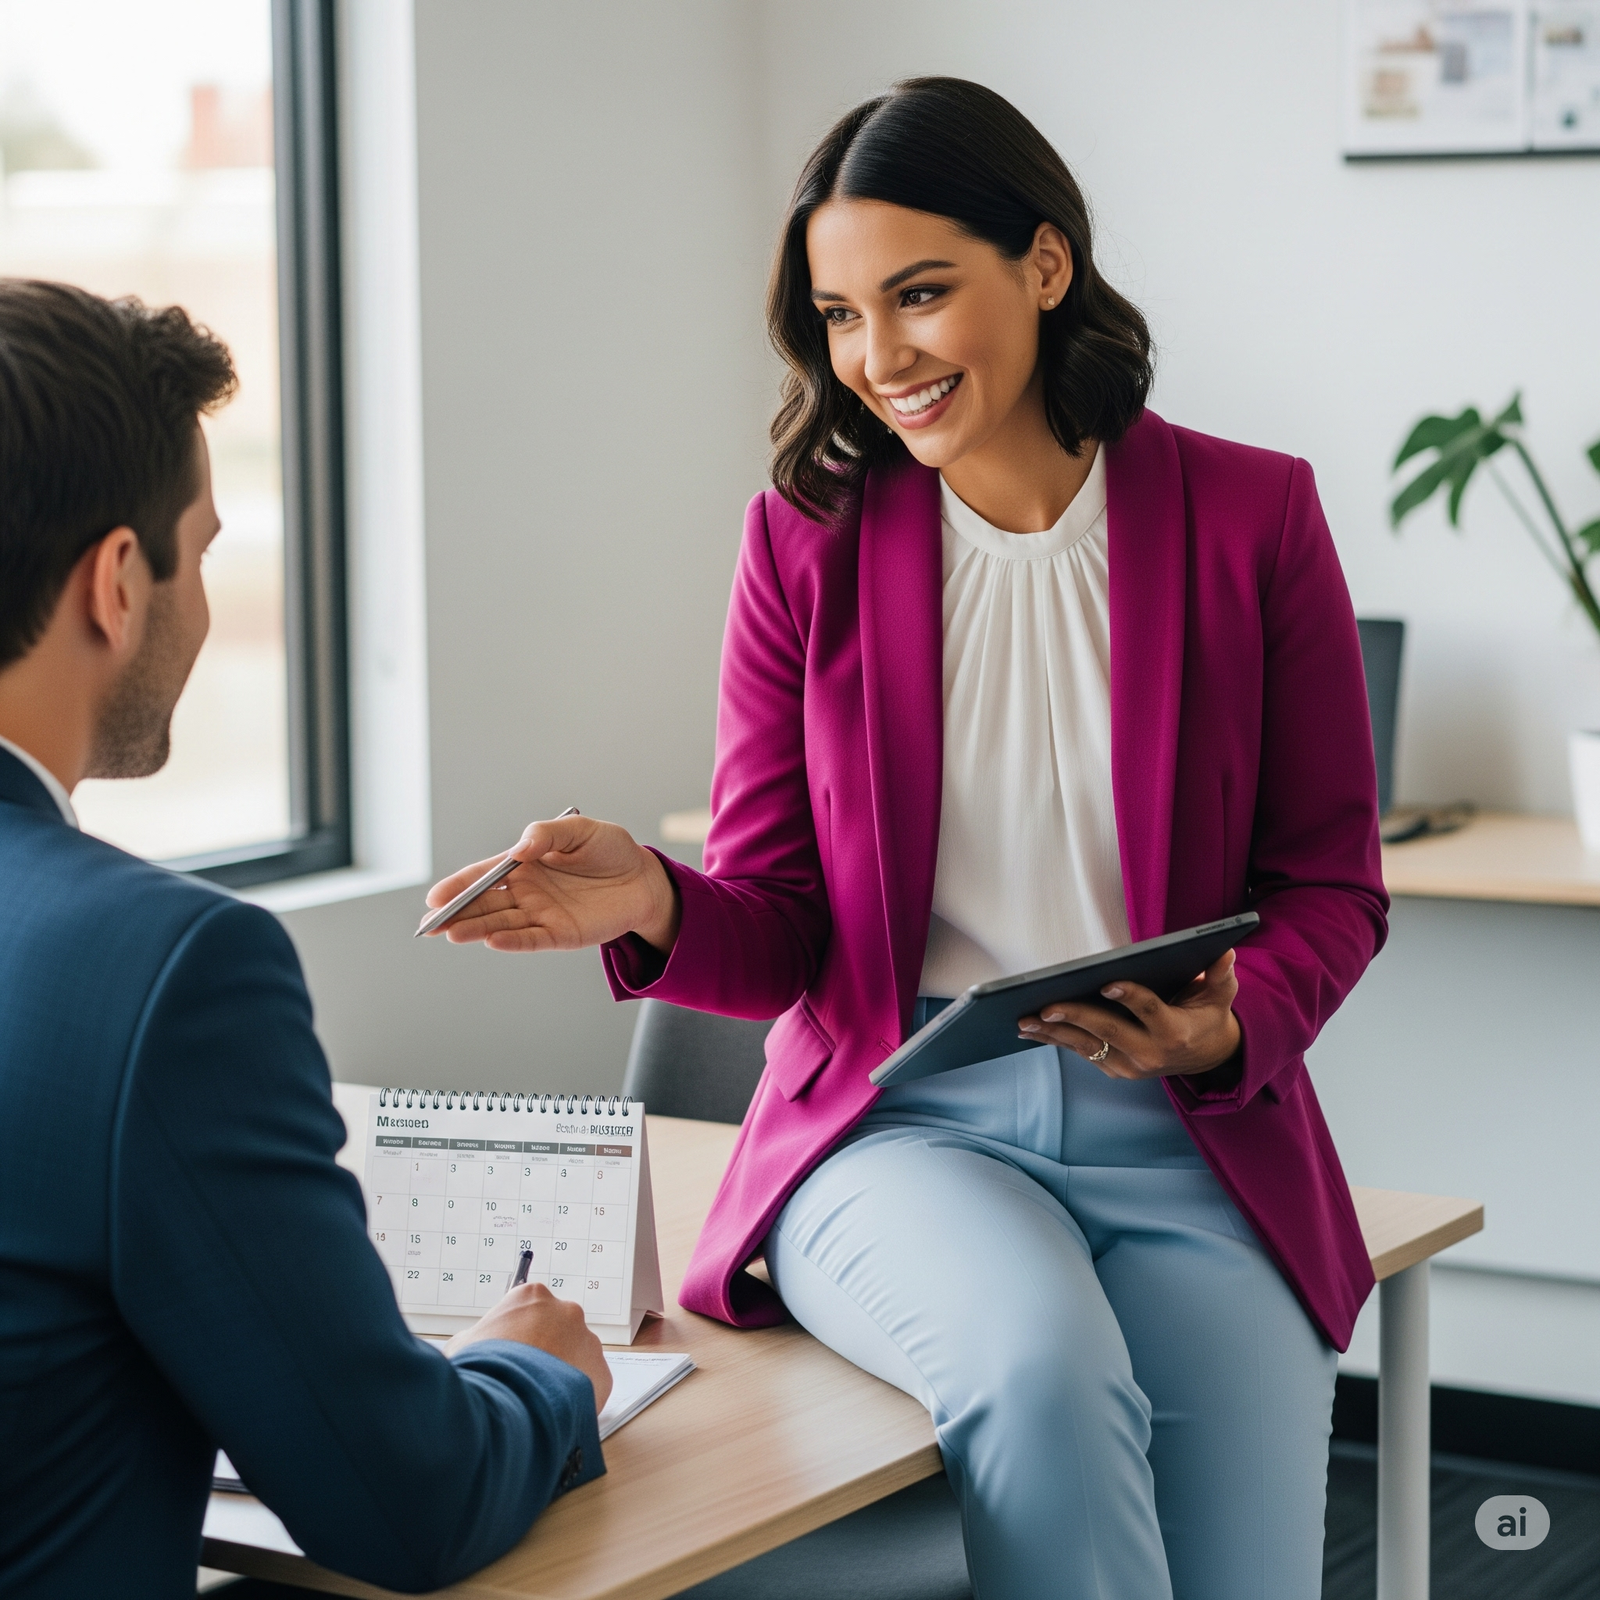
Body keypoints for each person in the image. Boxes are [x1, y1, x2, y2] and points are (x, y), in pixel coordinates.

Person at [424, 78, 1388, 1600]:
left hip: (1188, 1128)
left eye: (921, 294)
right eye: (840, 316)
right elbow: (784, 929)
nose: (880, 359)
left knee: (1250, 1563)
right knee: (1043, 1377)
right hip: (900, 1125)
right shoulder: (804, 543)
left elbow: (1331, 883)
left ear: (1047, 266)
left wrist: (1226, 1026)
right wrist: (660, 903)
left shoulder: (1254, 518)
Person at [0, 279, 613, 1600]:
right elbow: (408, 1503)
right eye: (201, 550)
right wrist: (535, 1368)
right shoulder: (158, 973)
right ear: (116, 580)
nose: (204, 606)